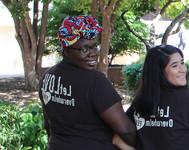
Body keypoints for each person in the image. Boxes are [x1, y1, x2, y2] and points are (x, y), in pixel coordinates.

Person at [39, 15, 136, 150]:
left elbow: (48, 124)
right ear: (65, 50)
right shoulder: (95, 82)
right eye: (84, 49)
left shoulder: (47, 76)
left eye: (94, 46)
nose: (93, 54)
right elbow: (126, 130)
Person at [126, 45, 189, 150]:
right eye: (174, 65)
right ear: (159, 71)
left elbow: (118, 141)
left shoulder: (141, 100)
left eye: (182, 63)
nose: (183, 69)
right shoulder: (187, 100)